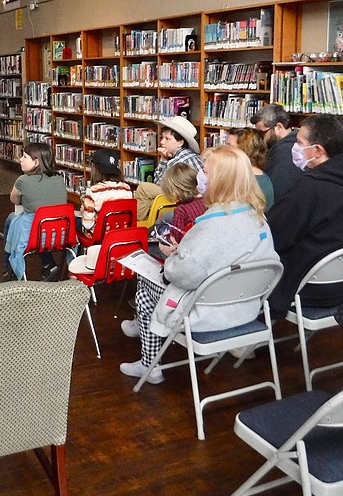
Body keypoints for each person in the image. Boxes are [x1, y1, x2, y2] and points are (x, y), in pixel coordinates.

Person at [119, 146, 279, 384]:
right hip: (246, 309)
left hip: (204, 314)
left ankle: (150, 365)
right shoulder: (258, 219)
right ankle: (145, 333)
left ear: (219, 180)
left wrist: (174, 256)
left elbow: (182, 274)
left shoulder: (210, 226)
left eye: (204, 170)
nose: (199, 176)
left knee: (144, 285)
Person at [266, 114, 343, 318]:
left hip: (307, 286)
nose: (295, 148)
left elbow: (273, 236)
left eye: (299, 143)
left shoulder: (311, 188)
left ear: (318, 150)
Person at [3, 142, 68, 281]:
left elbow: (14, 199)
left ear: (36, 162)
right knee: (39, 225)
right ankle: (48, 263)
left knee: (11, 219)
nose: (20, 159)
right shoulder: (59, 178)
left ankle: (9, 267)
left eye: (25, 156)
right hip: (60, 236)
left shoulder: (22, 180)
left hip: (34, 237)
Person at [134, 116, 203, 221]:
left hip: (182, 196)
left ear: (180, 142)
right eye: (162, 138)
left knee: (144, 189)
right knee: (151, 203)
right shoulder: (195, 156)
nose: (162, 142)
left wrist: (163, 160)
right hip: (196, 199)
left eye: (167, 139)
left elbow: (159, 183)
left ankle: (138, 225)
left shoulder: (176, 162)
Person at [249, 103, 303, 202]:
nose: (259, 138)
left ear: (278, 127)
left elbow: (274, 194)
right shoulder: (292, 144)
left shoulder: (285, 154)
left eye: (261, 133)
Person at [79, 148, 133, 238]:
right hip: (121, 234)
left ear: (95, 169)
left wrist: (83, 212)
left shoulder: (93, 191)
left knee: (74, 222)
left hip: (99, 236)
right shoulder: (126, 188)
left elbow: (87, 224)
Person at [227, 127, 275, 209]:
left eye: (229, 146)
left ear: (244, 149)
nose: (224, 150)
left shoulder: (253, 183)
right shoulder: (258, 177)